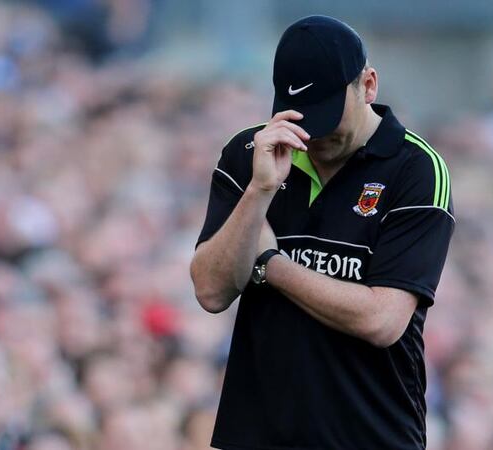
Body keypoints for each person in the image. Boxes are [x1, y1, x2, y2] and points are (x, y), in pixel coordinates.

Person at [190, 15, 455, 449]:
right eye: (303, 115)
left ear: (368, 86)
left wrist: (271, 266)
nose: (315, 133)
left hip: (372, 435)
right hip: (256, 434)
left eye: (329, 112)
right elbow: (210, 291)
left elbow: (382, 319)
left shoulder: (417, 168)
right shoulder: (249, 153)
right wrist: (259, 192)